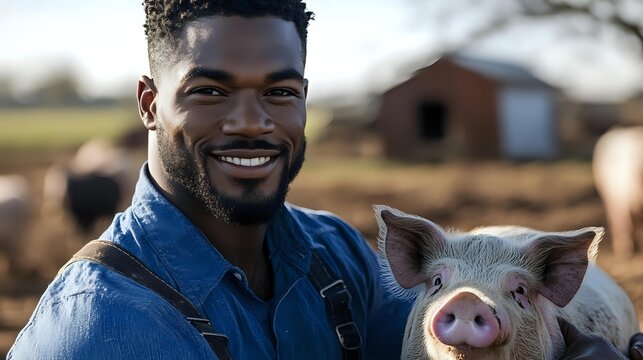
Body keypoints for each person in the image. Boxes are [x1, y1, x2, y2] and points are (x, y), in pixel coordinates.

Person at [7, 1, 643, 359]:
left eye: (280, 92)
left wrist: (576, 345)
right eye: (209, 91)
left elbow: (434, 336)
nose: (252, 124)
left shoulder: (334, 255)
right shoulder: (103, 331)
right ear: (149, 103)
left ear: (305, 100)